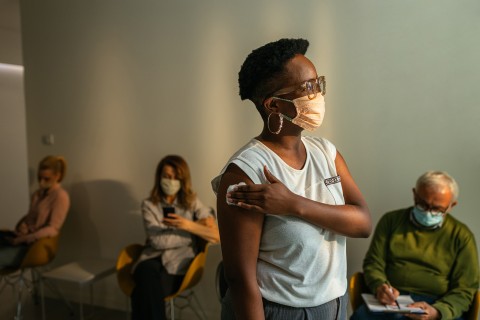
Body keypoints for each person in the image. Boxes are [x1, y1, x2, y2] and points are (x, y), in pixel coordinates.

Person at [211, 38, 372, 320]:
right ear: (274, 105)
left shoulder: (327, 153)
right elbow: (239, 278)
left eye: (318, 83)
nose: (318, 94)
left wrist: (293, 204)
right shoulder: (246, 172)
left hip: (335, 305)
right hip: (278, 311)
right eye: (307, 88)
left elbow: (362, 223)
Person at [351, 171, 479, 320]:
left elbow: (465, 288)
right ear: (414, 194)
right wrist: (380, 286)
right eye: (422, 204)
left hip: (438, 302)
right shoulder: (391, 221)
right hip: (391, 300)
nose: (428, 212)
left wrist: (438, 311)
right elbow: (373, 263)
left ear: (451, 205)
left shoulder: (462, 236)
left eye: (437, 208)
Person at [131, 155, 220, 320]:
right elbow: (156, 242)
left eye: (175, 177)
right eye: (166, 176)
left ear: (182, 179)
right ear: (159, 177)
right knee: (145, 271)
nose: (170, 181)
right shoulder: (149, 205)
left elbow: (215, 236)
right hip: (151, 258)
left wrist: (186, 224)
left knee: (143, 290)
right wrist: (192, 233)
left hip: (179, 263)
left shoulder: (192, 202)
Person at [0, 155, 70, 268]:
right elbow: (30, 218)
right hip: (22, 237)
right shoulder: (38, 194)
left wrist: (25, 238)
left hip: (33, 246)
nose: (41, 182)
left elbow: (53, 229)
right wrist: (23, 225)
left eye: (46, 179)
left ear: (57, 176)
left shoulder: (60, 196)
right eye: (39, 178)